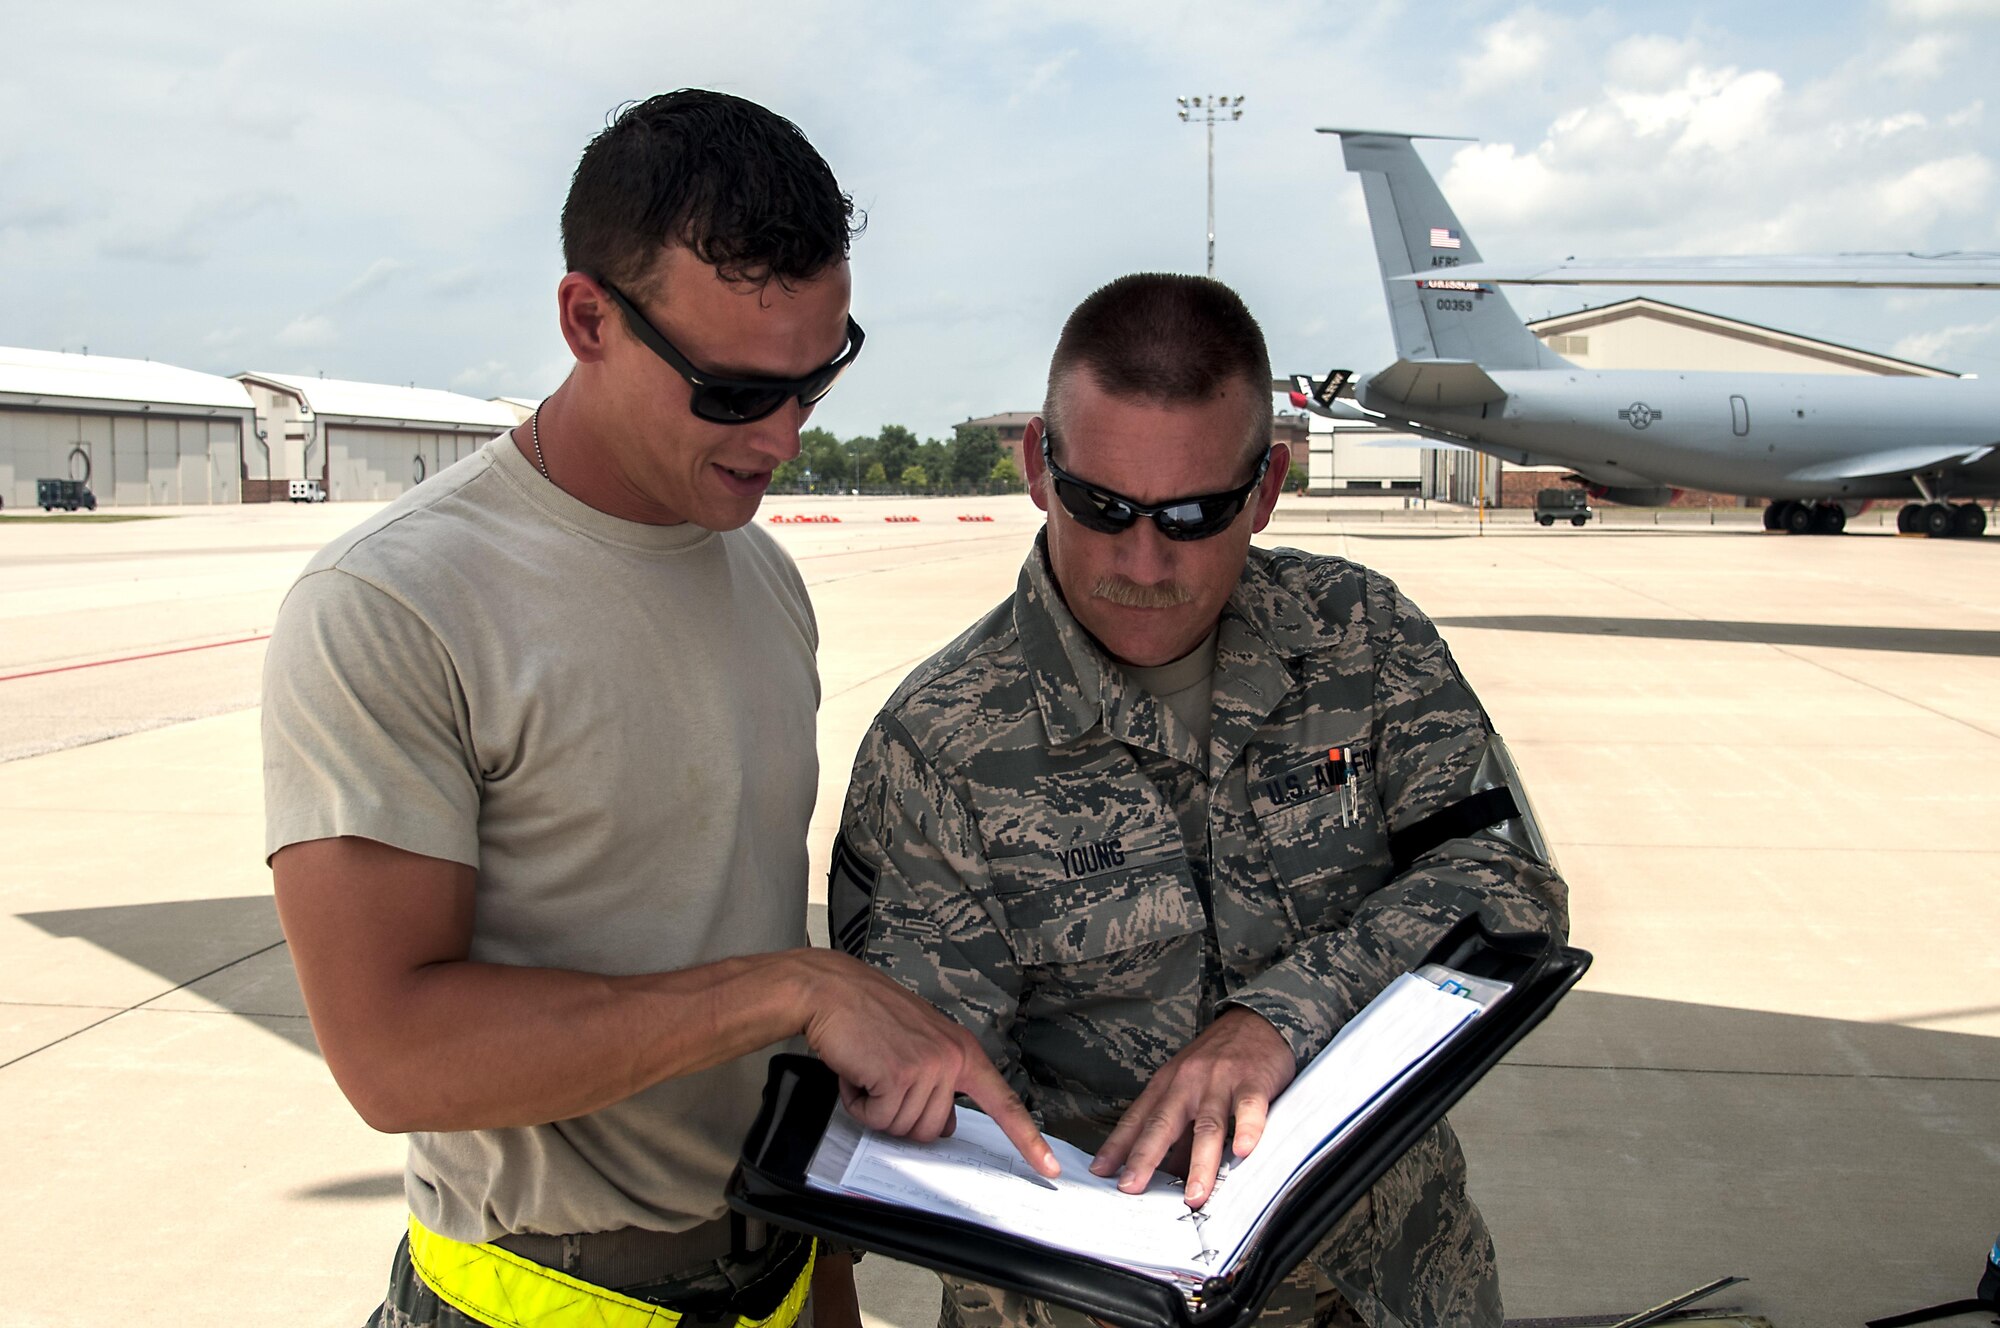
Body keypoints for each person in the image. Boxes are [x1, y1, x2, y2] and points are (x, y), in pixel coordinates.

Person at [262, 90, 1054, 1328]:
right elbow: (392, 1052)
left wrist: (826, 1270)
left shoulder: (760, 575)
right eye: (738, 392)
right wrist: (790, 989)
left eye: (818, 380)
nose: (785, 436)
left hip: (772, 1266)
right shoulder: (397, 603)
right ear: (587, 317)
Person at [828, 274, 1567, 1328]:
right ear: (1040, 466)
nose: (1141, 559)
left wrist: (1278, 1017)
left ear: (1263, 489)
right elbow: (941, 1119)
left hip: (1399, 1287)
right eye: (1102, 507)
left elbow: (1509, 889)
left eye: (1190, 515)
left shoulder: (1361, 637)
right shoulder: (937, 747)